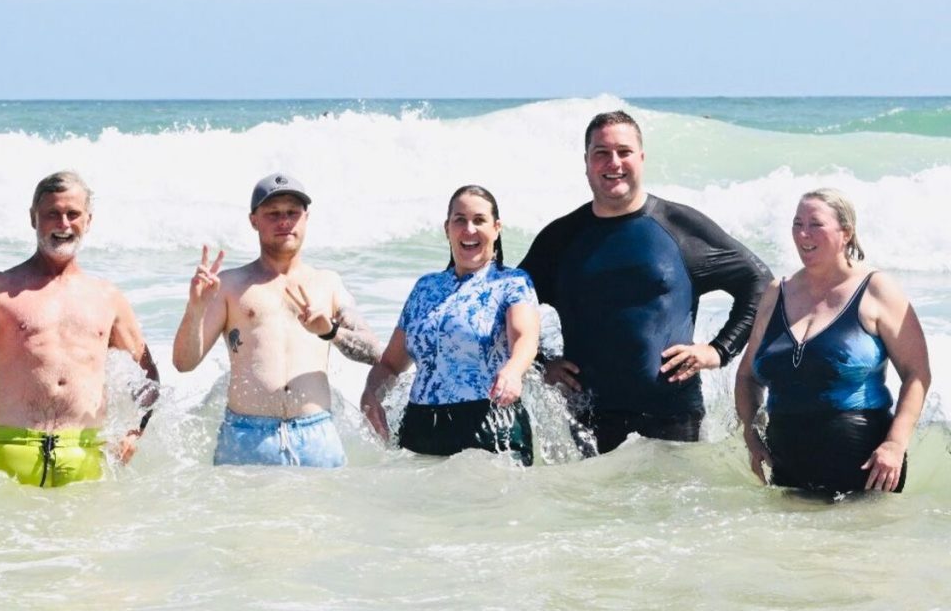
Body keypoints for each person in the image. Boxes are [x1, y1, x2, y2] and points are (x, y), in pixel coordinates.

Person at [519, 110, 772, 455]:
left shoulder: (679, 226)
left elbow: (759, 282)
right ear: (586, 162)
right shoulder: (561, 239)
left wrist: (718, 350)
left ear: (641, 157)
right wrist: (540, 361)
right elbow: (509, 304)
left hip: (673, 413)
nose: (614, 163)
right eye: (601, 153)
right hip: (589, 418)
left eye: (624, 152)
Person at [0, 171, 160, 488]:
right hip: (13, 450)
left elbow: (148, 375)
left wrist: (134, 431)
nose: (64, 224)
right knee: (5, 539)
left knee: (87, 539)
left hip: (86, 452)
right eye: (52, 214)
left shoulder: (108, 298)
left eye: (73, 214)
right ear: (33, 218)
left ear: (88, 220)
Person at [173, 172, 381, 467]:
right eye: (272, 213)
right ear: (253, 220)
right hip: (246, 437)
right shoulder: (229, 285)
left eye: (292, 213)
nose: (284, 221)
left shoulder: (328, 283)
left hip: (317, 435)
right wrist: (195, 309)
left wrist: (331, 332)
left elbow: (375, 353)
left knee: (322, 515)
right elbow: (184, 363)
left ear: (306, 217)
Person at [735, 188, 930, 494]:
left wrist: (895, 443)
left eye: (815, 224)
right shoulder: (777, 292)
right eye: (797, 224)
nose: (803, 234)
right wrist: (751, 435)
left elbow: (917, 374)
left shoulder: (877, 289)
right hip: (787, 467)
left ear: (846, 233)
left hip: (864, 468)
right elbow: (747, 375)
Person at [360, 185, 540, 464]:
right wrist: (371, 394)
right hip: (420, 429)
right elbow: (390, 365)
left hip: (489, 425)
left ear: (496, 228)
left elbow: (525, 337)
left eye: (479, 220)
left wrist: (514, 371)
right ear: (447, 229)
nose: (469, 229)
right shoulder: (425, 288)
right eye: (460, 220)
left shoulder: (512, 283)